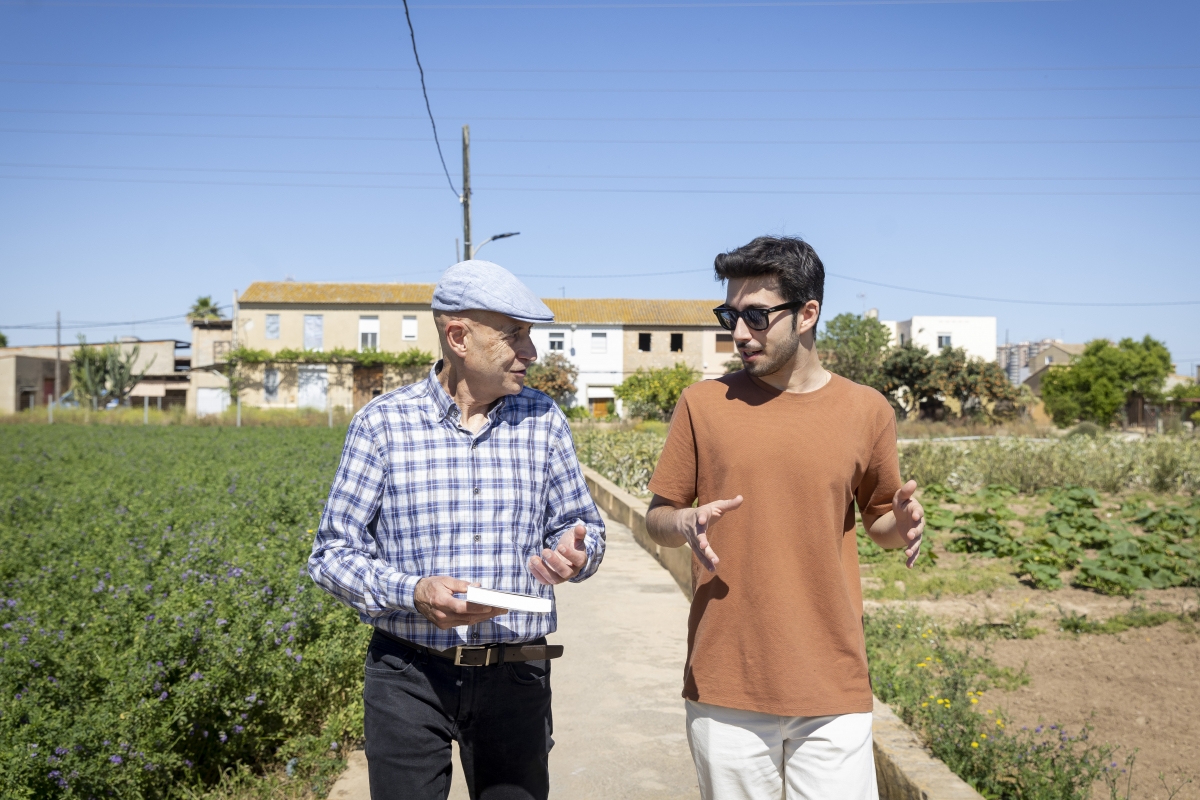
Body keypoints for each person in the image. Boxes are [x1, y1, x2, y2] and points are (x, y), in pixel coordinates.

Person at [308, 260, 606, 800]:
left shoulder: (544, 420)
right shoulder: (382, 424)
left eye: (530, 336)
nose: (532, 353)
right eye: (514, 335)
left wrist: (577, 553)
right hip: (408, 676)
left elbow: (583, 526)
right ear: (458, 337)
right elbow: (331, 554)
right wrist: (413, 592)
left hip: (516, 676)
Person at [644, 236, 925, 800]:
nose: (738, 333)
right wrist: (684, 524)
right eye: (730, 315)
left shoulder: (866, 410)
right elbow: (658, 517)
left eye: (755, 315)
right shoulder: (702, 403)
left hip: (833, 685)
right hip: (726, 686)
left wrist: (904, 523)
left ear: (807, 313)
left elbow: (879, 525)